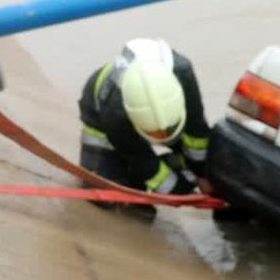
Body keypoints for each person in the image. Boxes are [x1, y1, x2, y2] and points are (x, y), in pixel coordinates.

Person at [77, 38, 212, 219]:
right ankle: (132, 178)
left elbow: (197, 131)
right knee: (105, 195)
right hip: (101, 119)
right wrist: (178, 193)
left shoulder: (183, 73)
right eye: (156, 134)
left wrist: (203, 173)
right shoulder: (117, 115)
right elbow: (141, 160)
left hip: (146, 117)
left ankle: (177, 163)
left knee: (202, 153)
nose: (162, 136)